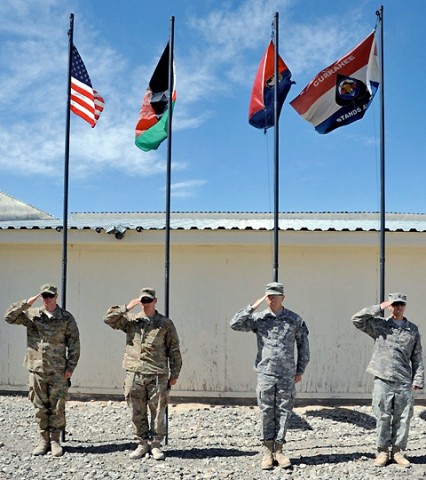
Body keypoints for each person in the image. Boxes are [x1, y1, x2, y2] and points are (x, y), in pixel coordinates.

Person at [230, 282, 310, 470]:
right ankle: (267, 451)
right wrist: (252, 306)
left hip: (287, 374)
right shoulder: (259, 318)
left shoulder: (294, 319)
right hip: (266, 373)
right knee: (266, 411)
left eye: (275, 296)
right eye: (269, 296)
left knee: (284, 410)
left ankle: (279, 450)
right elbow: (235, 324)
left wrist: (300, 370)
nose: (272, 299)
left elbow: (303, 346)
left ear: (283, 297)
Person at [104, 287, 182, 460]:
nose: (145, 304)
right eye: (143, 301)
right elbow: (108, 319)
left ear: (155, 301)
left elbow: (174, 350)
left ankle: (155, 445)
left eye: (148, 300)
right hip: (134, 373)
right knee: (136, 411)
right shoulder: (131, 321)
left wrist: (174, 374)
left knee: (158, 411)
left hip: (157, 374)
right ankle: (141, 443)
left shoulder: (165, 323)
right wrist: (126, 307)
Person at [4, 283, 80, 457]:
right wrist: (26, 303)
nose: (47, 299)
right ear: (41, 297)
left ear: (56, 297)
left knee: (57, 406)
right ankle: (43, 440)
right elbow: (9, 317)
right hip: (36, 368)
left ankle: (55, 441)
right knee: (39, 406)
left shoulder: (66, 317)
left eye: (50, 296)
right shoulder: (32, 315)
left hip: (58, 370)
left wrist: (71, 367)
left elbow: (74, 343)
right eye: (44, 296)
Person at [352, 292, 424, 467]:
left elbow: (417, 356)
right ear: (390, 306)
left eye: (401, 304)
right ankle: (383, 451)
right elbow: (357, 320)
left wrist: (418, 379)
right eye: (395, 304)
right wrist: (379, 307)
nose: (398, 307)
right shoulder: (380, 325)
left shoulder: (412, 329)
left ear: (405, 306)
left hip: (404, 379)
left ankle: (398, 451)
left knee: (403, 417)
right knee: (383, 416)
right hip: (383, 378)